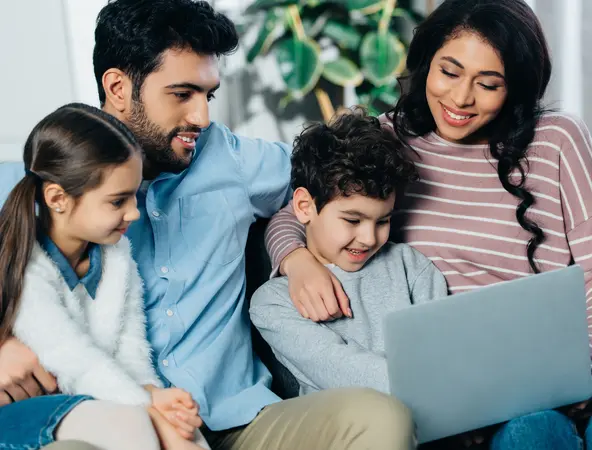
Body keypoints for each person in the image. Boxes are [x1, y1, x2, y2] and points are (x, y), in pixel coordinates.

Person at [0, 1, 413, 449]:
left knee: (379, 417)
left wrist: (291, 254)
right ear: (118, 87)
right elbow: (22, 279)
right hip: (121, 424)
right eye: (182, 94)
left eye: (208, 95)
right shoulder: (52, 183)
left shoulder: (229, 157)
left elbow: (333, 182)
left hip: (241, 421)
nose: (202, 117)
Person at [263, 0, 592, 448]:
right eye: (449, 72)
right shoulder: (392, 139)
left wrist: (578, 370)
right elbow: (299, 210)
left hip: (541, 374)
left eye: (488, 84)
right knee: (530, 434)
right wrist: (295, 259)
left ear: (514, 88)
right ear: (425, 64)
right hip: (452, 386)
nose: (460, 99)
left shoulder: (557, 140)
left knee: (538, 426)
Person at [0, 103, 209, 450]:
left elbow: (130, 353)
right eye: (117, 201)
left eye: (134, 195)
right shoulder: (27, 264)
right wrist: (148, 409)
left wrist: (155, 395)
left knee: (181, 428)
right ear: (58, 199)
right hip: (20, 416)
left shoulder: (116, 258)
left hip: (87, 399)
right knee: (131, 422)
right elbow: (75, 361)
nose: (134, 212)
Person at [250, 109, 447, 396]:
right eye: (352, 220)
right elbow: (343, 372)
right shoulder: (273, 302)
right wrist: (441, 390)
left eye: (383, 221)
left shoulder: (411, 267)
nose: (369, 238)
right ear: (305, 207)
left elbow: (443, 352)